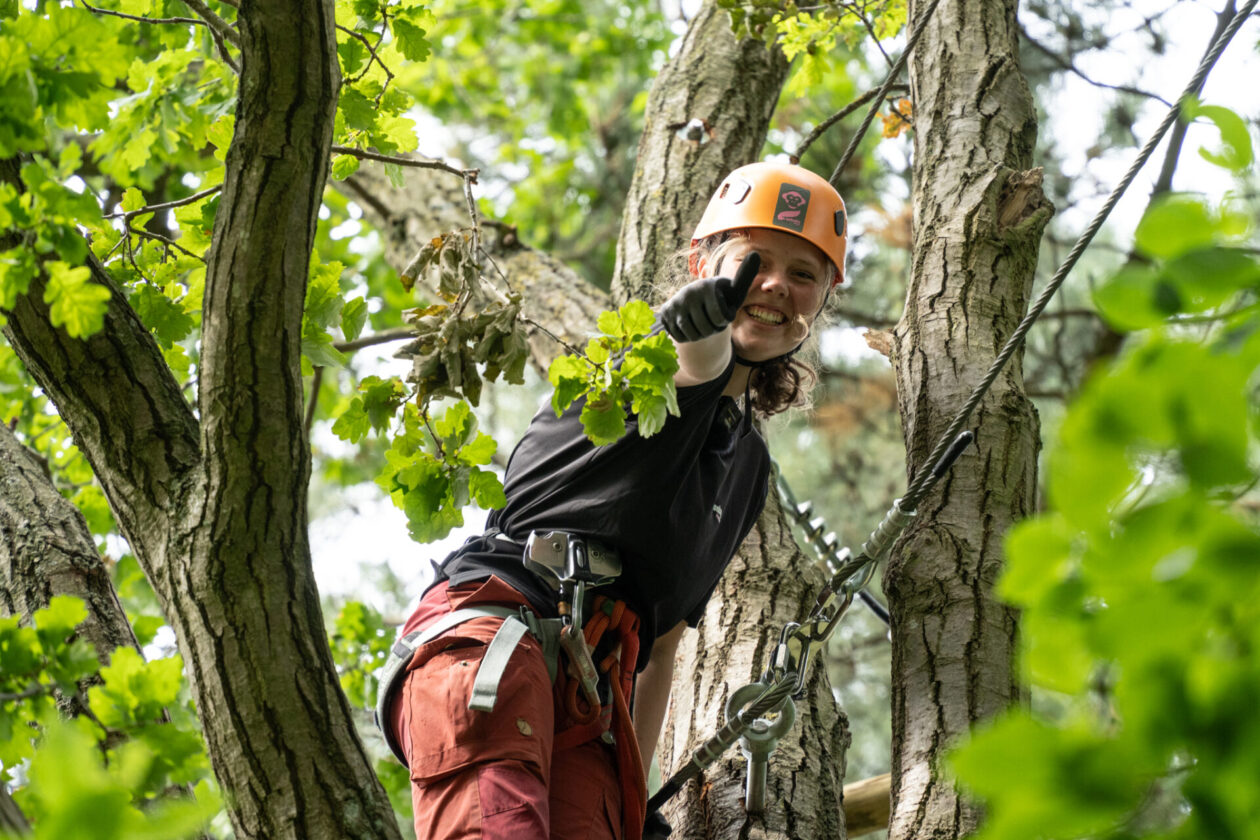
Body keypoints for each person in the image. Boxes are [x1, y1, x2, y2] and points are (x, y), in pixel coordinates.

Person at [376, 161, 848, 840]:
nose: (776, 284)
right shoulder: (634, 364)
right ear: (702, 263)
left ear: (823, 298)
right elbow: (694, 364)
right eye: (755, 260)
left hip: (594, 705)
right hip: (501, 637)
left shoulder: (746, 469)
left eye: (804, 274)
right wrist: (703, 337)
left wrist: (637, 798)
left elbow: (662, 645)